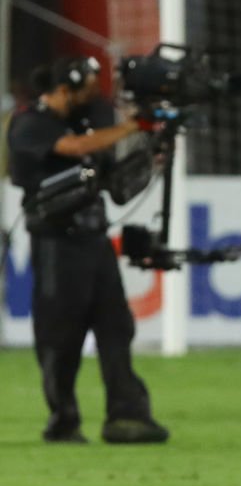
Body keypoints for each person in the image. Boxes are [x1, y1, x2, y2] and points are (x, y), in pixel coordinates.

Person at [6, 56, 169, 444]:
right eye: (87, 89)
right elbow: (76, 147)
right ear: (64, 89)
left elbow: (108, 161)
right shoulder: (31, 124)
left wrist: (149, 141)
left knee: (116, 326)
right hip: (56, 243)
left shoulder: (86, 117)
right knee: (59, 337)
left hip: (95, 239)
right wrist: (132, 126)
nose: (94, 97)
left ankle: (127, 416)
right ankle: (63, 421)